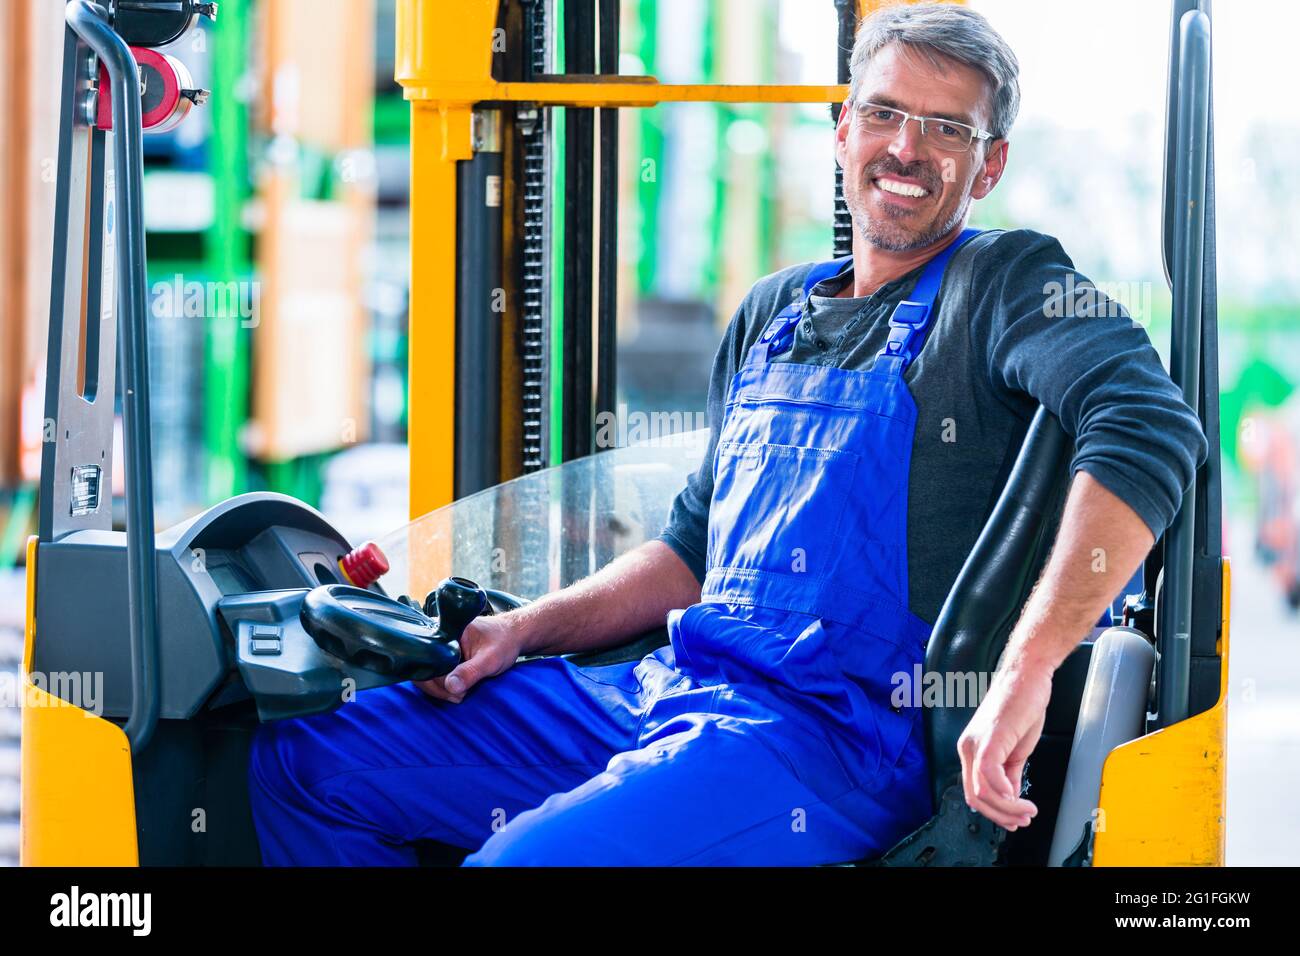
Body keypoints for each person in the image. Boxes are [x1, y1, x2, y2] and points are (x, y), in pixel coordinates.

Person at [247, 2, 1207, 866]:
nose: (906, 148)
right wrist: (520, 631)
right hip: (668, 688)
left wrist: (1024, 674)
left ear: (988, 163)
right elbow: (692, 553)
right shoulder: (772, 310)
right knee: (307, 763)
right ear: (843, 130)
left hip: (827, 739)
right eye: (882, 112)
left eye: (947, 127)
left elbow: (1149, 426)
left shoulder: (1006, 283)